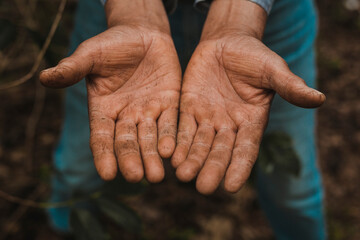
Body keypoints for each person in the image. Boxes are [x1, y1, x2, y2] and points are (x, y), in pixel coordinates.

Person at [39, 0, 327, 239]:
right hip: (112, 21)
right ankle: (63, 229)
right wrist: (132, 11)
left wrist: (237, 18)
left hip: (270, 18)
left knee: (293, 191)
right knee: (77, 170)